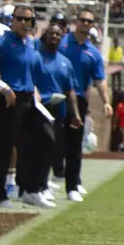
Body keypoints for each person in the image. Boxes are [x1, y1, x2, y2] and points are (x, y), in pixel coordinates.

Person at [60, 9, 109, 201]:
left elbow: (100, 79)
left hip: (78, 100)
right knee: (49, 141)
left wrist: (106, 102)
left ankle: (72, 185)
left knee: (74, 145)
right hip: (56, 96)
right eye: (82, 20)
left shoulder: (93, 53)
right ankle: (37, 184)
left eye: (89, 21)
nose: (85, 24)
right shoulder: (61, 42)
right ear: (76, 22)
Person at [29, 17, 75, 208]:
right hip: (39, 108)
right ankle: (33, 188)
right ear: (45, 35)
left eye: (58, 34)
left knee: (52, 149)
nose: (54, 36)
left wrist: (76, 114)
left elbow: (70, 89)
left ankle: (40, 185)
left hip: (59, 110)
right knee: (38, 148)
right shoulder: (36, 57)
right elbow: (29, 80)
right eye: (51, 33)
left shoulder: (65, 62)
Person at [0, 5, 40, 206]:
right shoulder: (3, 41)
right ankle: (0, 194)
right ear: (12, 20)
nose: (24, 23)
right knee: (4, 147)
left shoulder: (32, 44)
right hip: (9, 98)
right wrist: (4, 88)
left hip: (29, 98)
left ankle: (28, 189)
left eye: (28, 19)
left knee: (35, 142)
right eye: (20, 18)